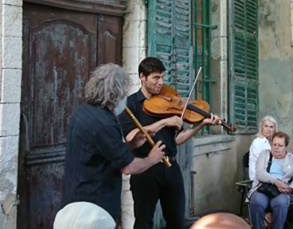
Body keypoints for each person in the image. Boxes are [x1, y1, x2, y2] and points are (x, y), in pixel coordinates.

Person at [118, 57, 221, 229]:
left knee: (177, 222)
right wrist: (164, 122)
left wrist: (200, 124)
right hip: (145, 170)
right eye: (156, 78)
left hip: (171, 168)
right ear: (142, 77)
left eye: (162, 77)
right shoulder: (130, 104)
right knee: (144, 223)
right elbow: (132, 137)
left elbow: (177, 140)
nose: (160, 83)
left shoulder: (167, 102)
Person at [61, 63, 166, 221]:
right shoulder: (105, 122)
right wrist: (152, 158)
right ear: (117, 93)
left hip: (73, 202)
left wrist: (131, 145)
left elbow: (102, 151)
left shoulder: (81, 112)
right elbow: (128, 167)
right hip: (93, 208)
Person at [247, 131, 293, 229]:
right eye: (274, 144)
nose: (276, 147)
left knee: (281, 203)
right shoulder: (264, 154)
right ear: (271, 144)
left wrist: (290, 188)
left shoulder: (292, 159)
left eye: (280, 145)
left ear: (286, 146)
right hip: (263, 188)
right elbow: (260, 173)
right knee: (256, 201)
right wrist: (276, 181)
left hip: (282, 192)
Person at [249, 115, 278, 180]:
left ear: (275, 129)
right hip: (259, 177)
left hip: (273, 174)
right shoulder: (257, 142)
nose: (268, 129)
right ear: (261, 128)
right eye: (266, 126)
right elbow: (261, 165)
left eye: (271, 127)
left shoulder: (275, 143)